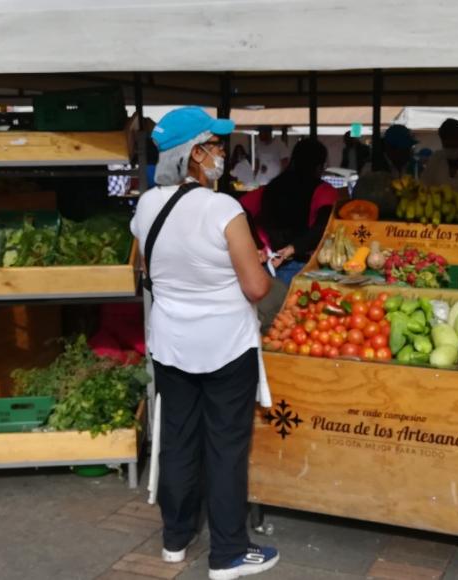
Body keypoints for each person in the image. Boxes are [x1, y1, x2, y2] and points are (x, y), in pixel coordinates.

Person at [130, 106, 278, 580]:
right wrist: (263, 266)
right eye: (215, 147)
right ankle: (229, 553)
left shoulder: (147, 205)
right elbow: (256, 288)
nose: (222, 155)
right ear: (194, 155)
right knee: (226, 445)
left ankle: (176, 538)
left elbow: (148, 269)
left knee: (177, 437)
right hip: (225, 348)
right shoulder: (223, 209)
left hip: (172, 344)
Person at [257, 138, 344, 285]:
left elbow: (261, 218)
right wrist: (294, 248)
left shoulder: (273, 186)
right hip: (308, 266)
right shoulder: (324, 190)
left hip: (274, 263)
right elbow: (324, 227)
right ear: (318, 166)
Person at [353, 125, 419, 216]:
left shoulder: (414, 165)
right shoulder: (372, 167)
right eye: (404, 148)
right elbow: (361, 195)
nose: (409, 152)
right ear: (389, 148)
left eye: (409, 148)